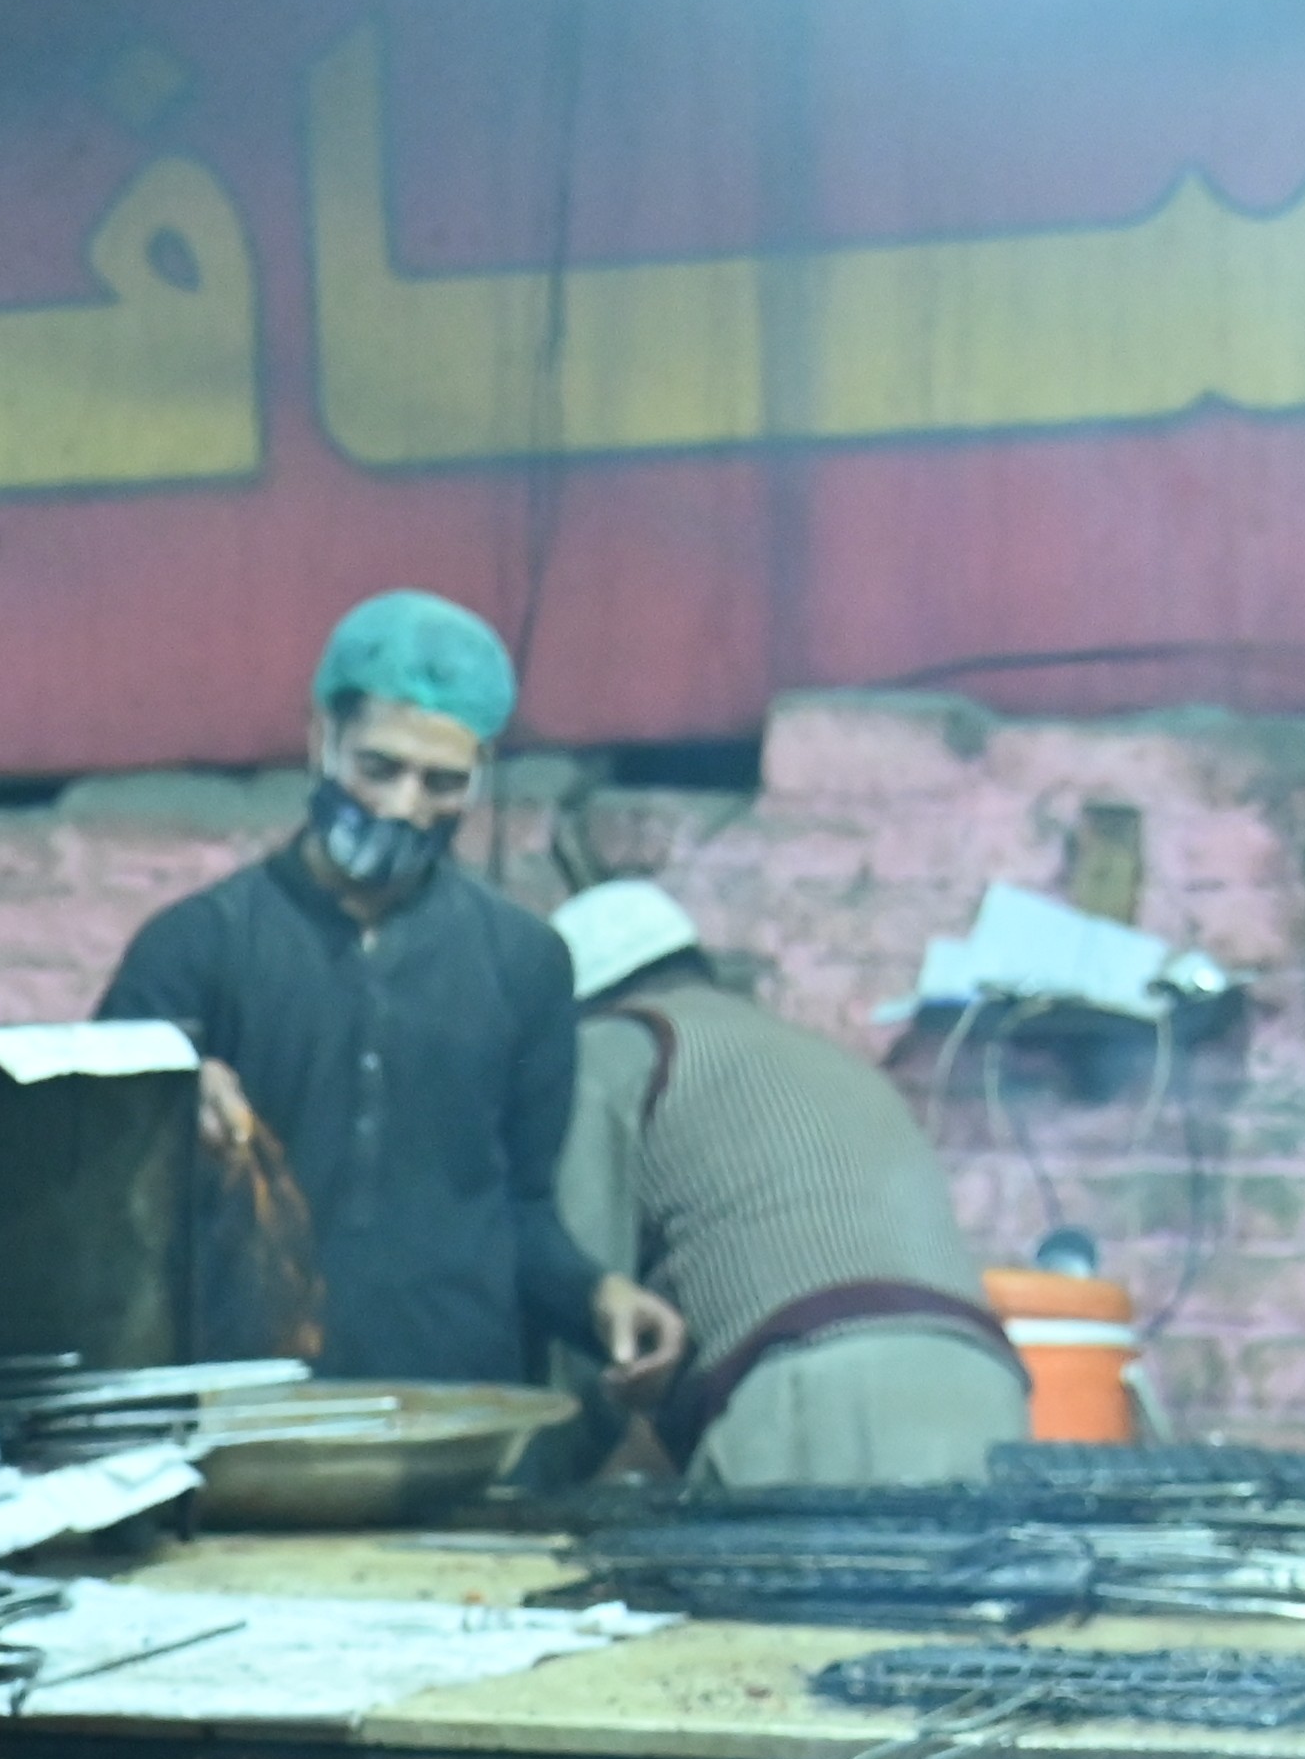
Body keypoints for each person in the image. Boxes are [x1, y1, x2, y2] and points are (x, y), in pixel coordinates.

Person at [104, 593, 686, 1396]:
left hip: (453, 1412)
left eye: (442, 781)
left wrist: (597, 1297)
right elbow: (94, 1206)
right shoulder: (194, 949)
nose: (404, 805)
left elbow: (521, 1213)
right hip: (243, 1416)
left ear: (479, 777)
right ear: (322, 741)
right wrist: (158, 1103)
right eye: (379, 767)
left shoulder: (525, 966)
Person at [546, 879, 1024, 1487]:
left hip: (817, 1392)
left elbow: (587, 1301)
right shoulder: (817, 1055)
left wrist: (551, 1485)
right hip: (983, 1384)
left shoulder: (614, 1047)